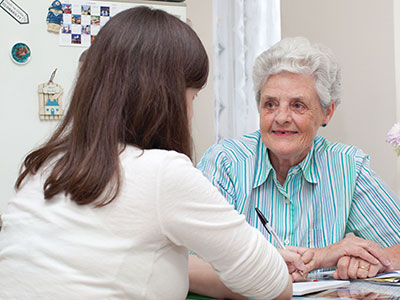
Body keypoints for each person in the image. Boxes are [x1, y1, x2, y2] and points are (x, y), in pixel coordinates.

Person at [0, 7, 304, 300]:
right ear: (165, 100)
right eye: (192, 96)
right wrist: (269, 265)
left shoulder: (44, 167)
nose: (191, 112)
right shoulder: (162, 172)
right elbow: (273, 286)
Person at [191, 37, 400, 297]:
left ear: (326, 112)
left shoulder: (346, 166)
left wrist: (368, 261)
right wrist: (284, 263)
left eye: (297, 105)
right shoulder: (225, 163)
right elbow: (189, 261)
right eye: (270, 104)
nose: (281, 117)